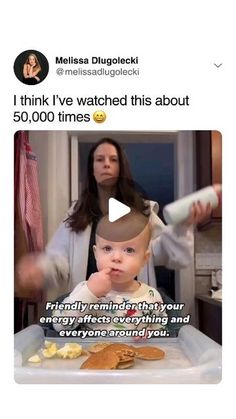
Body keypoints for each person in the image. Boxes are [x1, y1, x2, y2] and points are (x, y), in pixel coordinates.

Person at [17, 138, 214, 298]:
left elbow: (166, 252)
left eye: (113, 159)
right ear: (92, 169)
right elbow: (58, 262)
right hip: (90, 307)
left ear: (122, 167)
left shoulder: (142, 211)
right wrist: (39, 269)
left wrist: (183, 226)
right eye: (99, 159)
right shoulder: (77, 213)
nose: (106, 164)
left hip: (132, 308)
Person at [51, 211, 168, 337]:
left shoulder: (152, 296)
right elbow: (59, 325)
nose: (116, 258)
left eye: (129, 250)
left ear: (144, 259)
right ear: (96, 253)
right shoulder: (85, 289)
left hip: (135, 355)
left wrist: (152, 334)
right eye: (107, 248)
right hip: (92, 355)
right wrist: (89, 293)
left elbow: (164, 333)